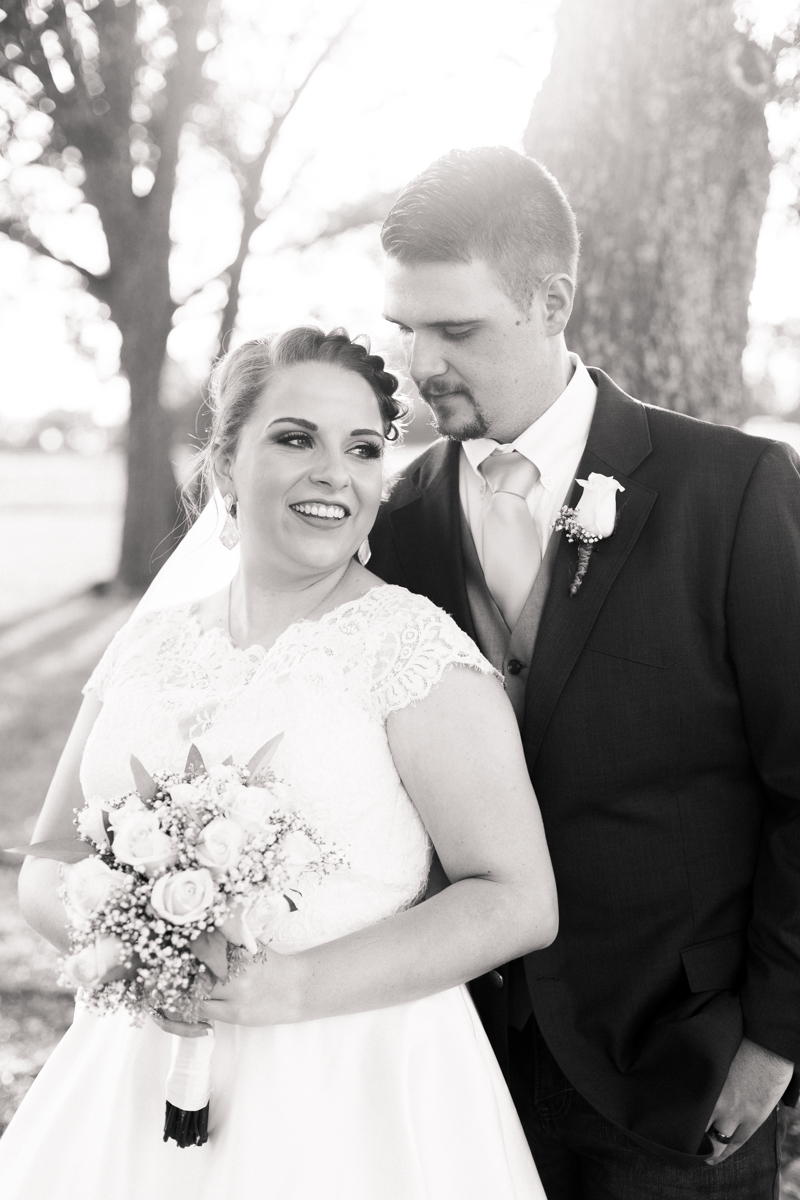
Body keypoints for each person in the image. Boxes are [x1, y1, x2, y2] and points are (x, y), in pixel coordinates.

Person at [0, 327, 558, 1199]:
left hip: (353, 1092)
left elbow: (517, 900)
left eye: (364, 448)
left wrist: (285, 990)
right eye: (296, 438)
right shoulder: (148, 641)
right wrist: (134, 945)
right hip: (132, 1071)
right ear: (225, 465)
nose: (336, 471)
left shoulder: (412, 652)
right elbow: (46, 866)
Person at [370, 145, 800, 1199]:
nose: (420, 363)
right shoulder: (390, 524)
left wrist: (775, 1041)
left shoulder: (730, 490)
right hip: (449, 1066)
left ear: (550, 299)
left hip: (676, 1070)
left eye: (456, 330)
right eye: (406, 328)